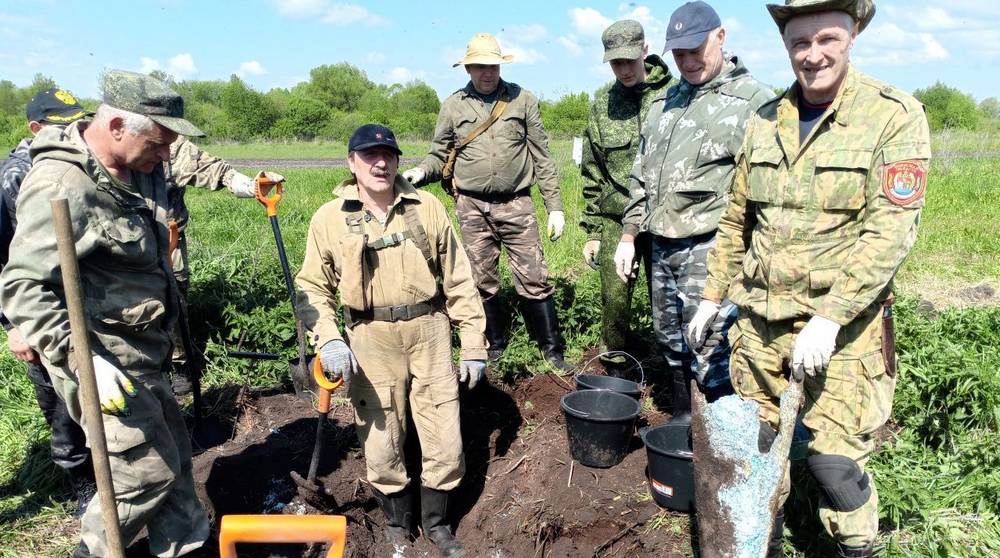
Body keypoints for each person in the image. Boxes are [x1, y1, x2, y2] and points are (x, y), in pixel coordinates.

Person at [686, 1, 928, 556]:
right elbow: (735, 220)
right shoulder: (766, 119)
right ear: (785, 44)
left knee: (835, 465)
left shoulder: (893, 115)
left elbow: (890, 233)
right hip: (759, 330)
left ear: (853, 34)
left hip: (842, 337)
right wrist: (711, 296)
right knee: (755, 451)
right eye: (800, 43)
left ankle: (854, 548)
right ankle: (758, 543)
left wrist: (832, 315)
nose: (812, 55)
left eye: (826, 39)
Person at [0, 70, 211, 558]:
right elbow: (22, 287)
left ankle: (185, 549)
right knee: (140, 474)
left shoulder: (141, 167)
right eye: (159, 143)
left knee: (177, 466)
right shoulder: (62, 185)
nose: (165, 156)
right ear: (117, 125)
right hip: (101, 360)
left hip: (146, 350)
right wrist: (83, 360)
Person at [296, 124, 487, 557]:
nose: (380, 163)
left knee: (445, 436)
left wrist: (473, 342)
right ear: (351, 163)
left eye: (388, 154)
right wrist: (328, 339)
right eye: (368, 155)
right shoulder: (329, 218)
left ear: (399, 160)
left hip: (430, 332)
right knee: (382, 440)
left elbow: (459, 280)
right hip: (369, 338)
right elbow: (311, 287)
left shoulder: (427, 207)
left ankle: (438, 525)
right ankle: (398, 526)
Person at [616, 1, 773, 418]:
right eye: (678, 54)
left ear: (720, 37)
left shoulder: (755, 103)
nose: (687, 62)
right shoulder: (665, 102)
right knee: (670, 340)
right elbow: (641, 173)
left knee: (713, 346)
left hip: (713, 248)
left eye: (694, 50)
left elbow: (768, 193)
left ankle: (720, 439)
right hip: (662, 247)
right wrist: (629, 235)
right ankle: (685, 422)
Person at [402, 32, 572, 372]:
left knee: (534, 276)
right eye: (480, 67)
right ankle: (495, 344)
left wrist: (555, 206)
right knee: (481, 279)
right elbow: (439, 155)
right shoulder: (453, 105)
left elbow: (542, 156)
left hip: (517, 203)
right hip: (471, 207)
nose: (487, 73)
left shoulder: (522, 99)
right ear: (468, 68)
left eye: (492, 66)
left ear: (499, 66)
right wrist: (421, 172)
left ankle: (551, 350)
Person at [0, 87, 96, 514]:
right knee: (58, 397)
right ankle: (81, 482)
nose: (74, 131)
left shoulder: (78, 166)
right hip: (38, 309)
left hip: (85, 304)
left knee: (91, 388)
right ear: (36, 129)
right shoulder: (14, 178)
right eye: (62, 126)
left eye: (78, 122)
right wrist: (12, 324)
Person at [579, 20, 674, 372]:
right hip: (615, 217)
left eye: (629, 61)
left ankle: (670, 373)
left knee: (665, 303)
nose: (623, 70)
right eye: (615, 63)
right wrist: (591, 229)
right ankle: (617, 368)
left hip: (664, 220)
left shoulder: (673, 95)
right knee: (615, 302)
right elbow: (592, 169)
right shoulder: (602, 103)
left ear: (644, 51)